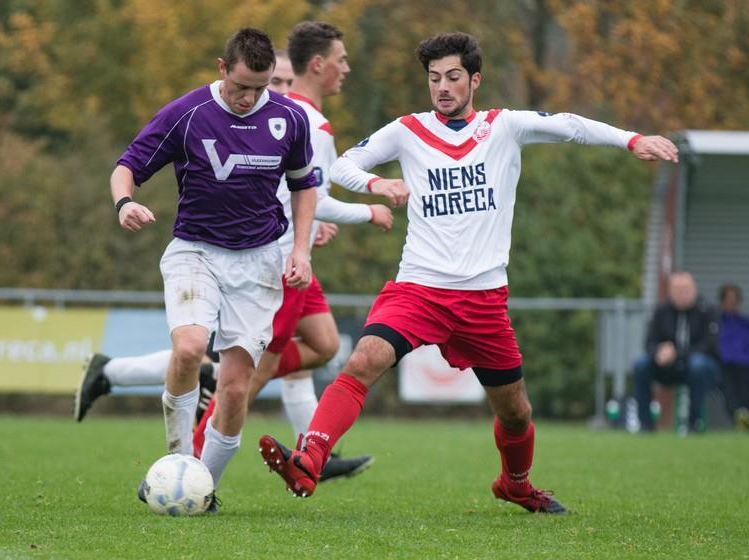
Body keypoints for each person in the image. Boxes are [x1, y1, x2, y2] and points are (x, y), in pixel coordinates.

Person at [258, 31, 678, 513]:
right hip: (418, 288)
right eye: (434, 78)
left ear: (474, 80)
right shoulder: (408, 130)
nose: (442, 87)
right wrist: (378, 182)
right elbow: (343, 167)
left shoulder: (503, 127)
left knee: (516, 412)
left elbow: (569, 124)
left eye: (453, 77)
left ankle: (516, 484)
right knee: (363, 361)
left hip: (482, 299)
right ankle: (310, 460)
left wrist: (632, 140)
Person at [112, 28, 318, 512]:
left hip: (260, 261)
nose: (250, 98)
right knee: (187, 348)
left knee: (234, 389)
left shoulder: (289, 117)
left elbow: (304, 184)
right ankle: (177, 463)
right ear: (222, 68)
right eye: (241, 86)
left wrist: (301, 250)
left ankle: (201, 490)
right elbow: (128, 165)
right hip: (195, 251)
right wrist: (124, 202)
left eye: (261, 88)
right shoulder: (187, 113)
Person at [193, 23, 390, 474]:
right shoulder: (308, 122)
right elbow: (313, 196)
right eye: (340, 60)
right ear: (318, 65)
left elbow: (295, 193)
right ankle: (194, 454)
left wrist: (312, 224)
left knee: (323, 344)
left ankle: (306, 451)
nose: (346, 68)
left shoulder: (287, 112)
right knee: (250, 374)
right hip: (280, 263)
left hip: (293, 257)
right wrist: (369, 212)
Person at [633, 271, 720, 433]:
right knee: (641, 364)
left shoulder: (708, 310)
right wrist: (658, 353)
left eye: (686, 289)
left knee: (698, 365)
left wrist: (677, 353)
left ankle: (695, 423)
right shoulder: (661, 311)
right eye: (678, 289)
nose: (682, 293)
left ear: (694, 289)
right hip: (667, 367)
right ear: (670, 292)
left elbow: (709, 346)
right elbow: (649, 342)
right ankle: (645, 424)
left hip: (700, 368)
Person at [717, 283, 749, 429]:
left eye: (734, 299)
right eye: (728, 299)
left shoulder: (744, 324)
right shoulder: (716, 323)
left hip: (745, 366)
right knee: (729, 387)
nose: (731, 302)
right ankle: (738, 416)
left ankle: (744, 416)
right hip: (725, 366)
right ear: (722, 301)